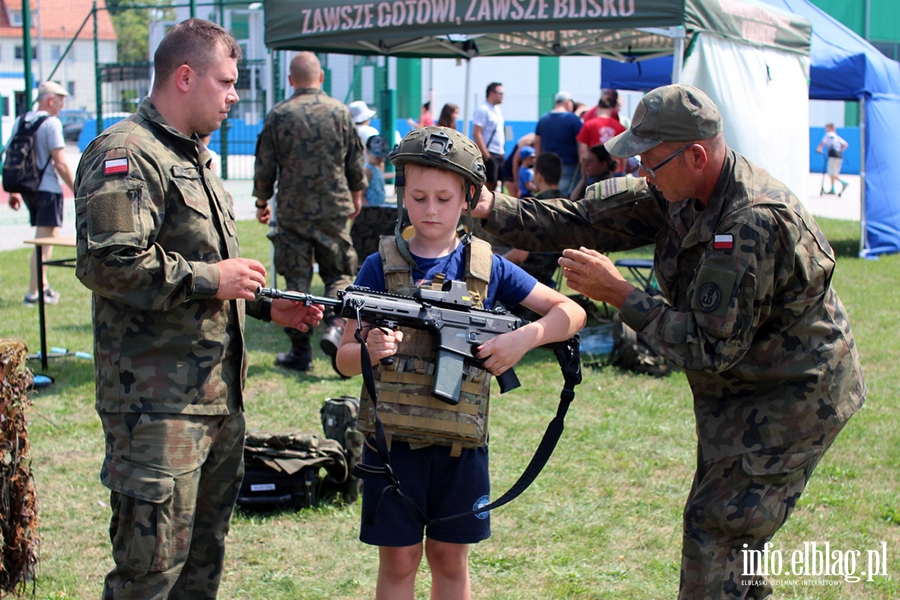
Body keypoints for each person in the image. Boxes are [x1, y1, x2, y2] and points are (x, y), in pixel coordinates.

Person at [473, 83, 866, 600]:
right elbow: (584, 218)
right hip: (741, 390)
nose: (642, 173)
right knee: (733, 539)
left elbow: (710, 347)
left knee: (717, 531)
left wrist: (618, 293)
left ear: (696, 155)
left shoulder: (750, 223)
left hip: (790, 396)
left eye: (650, 163)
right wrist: (486, 207)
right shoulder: (681, 187)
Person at [73, 19, 324, 598]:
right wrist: (216, 277)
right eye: (227, 82)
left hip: (215, 402)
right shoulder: (127, 152)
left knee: (200, 569)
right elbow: (108, 263)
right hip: (156, 409)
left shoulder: (193, 158)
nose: (235, 96)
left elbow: (203, 273)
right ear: (185, 77)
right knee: (149, 575)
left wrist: (264, 307)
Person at [334, 126, 585, 600]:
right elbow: (345, 359)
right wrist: (366, 351)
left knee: (450, 559)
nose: (430, 209)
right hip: (393, 447)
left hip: (460, 448)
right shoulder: (378, 267)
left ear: (469, 198)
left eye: (444, 198)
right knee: (400, 561)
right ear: (402, 194)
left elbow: (571, 311)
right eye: (419, 195)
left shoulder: (488, 267)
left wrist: (524, 340)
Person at [253, 51, 367, 375]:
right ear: (321, 78)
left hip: (293, 210)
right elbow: (355, 161)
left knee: (296, 280)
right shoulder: (341, 112)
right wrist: (356, 196)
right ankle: (334, 327)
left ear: (290, 80)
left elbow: (265, 165)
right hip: (333, 207)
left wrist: (262, 202)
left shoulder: (279, 114)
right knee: (338, 273)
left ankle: (300, 351)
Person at [7, 80, 76, 306]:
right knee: (44, 243)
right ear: (50, 99)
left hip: (29, 189)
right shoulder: (51, 123)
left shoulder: (21, 120)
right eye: (60, 100)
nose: (62, 106)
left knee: (45, 240)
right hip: (48, 190)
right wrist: (77, 188)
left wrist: (14, 191)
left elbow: (12, 154)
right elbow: (60, 163)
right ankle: (33, 293)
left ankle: (44, 286)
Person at [503, 152, 564, 291]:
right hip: (548, 275)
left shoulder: (535, 208)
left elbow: (519, 255)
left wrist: (495, 259)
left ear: (539, 176)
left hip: (525, 280)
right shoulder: (566, 205)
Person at [533, 91, 582, 195]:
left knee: (549, 194)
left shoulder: (543, 119)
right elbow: (581, 144)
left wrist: (538, 164)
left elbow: (537, 143)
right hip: (569, 164)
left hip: (547, 165)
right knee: (566, 196)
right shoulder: (573, 120)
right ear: (568, 103)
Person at [471, 82, 505, 192]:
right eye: (500, 93)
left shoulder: (497, 110)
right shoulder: (483, 109)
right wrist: (486, 155)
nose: (502, 96)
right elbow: (477, 133)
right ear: (491, 93)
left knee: (496, 184)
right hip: (490, 153)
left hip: (498, 153)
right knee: (488, 184)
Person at [816, 122, 849, 195]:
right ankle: (832, 188)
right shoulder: (837, 137)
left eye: (827, 128)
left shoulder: (829, 134)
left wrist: (819, 149)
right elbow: (845, 144)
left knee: (831, 173)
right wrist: (840, 150)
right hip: (839, 156)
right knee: (834, 173)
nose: (826, 130)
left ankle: (843, 182)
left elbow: (822, 143)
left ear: (831, 128)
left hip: (833, 156)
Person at [363, 135, 393, 206]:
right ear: (367, 151)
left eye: (382, 156)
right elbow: (361, 196)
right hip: (371, 209)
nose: (380, 159)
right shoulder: (367, 171)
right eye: (377, 156)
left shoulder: (380, 166)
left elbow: (380, 177)